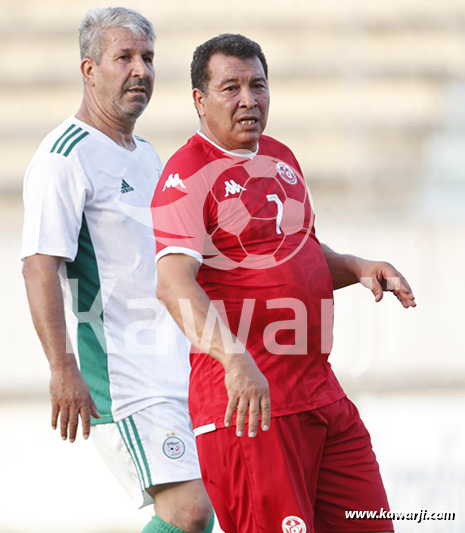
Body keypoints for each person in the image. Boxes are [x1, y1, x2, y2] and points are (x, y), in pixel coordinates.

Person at [152, 34, 416, 533]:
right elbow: (172, 285)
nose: (248, 99)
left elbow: (304, 257)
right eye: (230, 87)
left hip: (319, 396)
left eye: (257, 85)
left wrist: (359, 268)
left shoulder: (281, 158)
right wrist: (233, 358)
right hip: (250, 411)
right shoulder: (186, 173)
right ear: (199, 100)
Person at [21, 7, 213, 533]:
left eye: (148, 58)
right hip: (121, 377)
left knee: (208, 507)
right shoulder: (63, 157)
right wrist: (63, 369)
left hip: (178, 367)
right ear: (89, 69)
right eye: (124, 57)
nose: (141, 70)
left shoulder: (149, 156)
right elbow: (39, 265)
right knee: (189, 511)